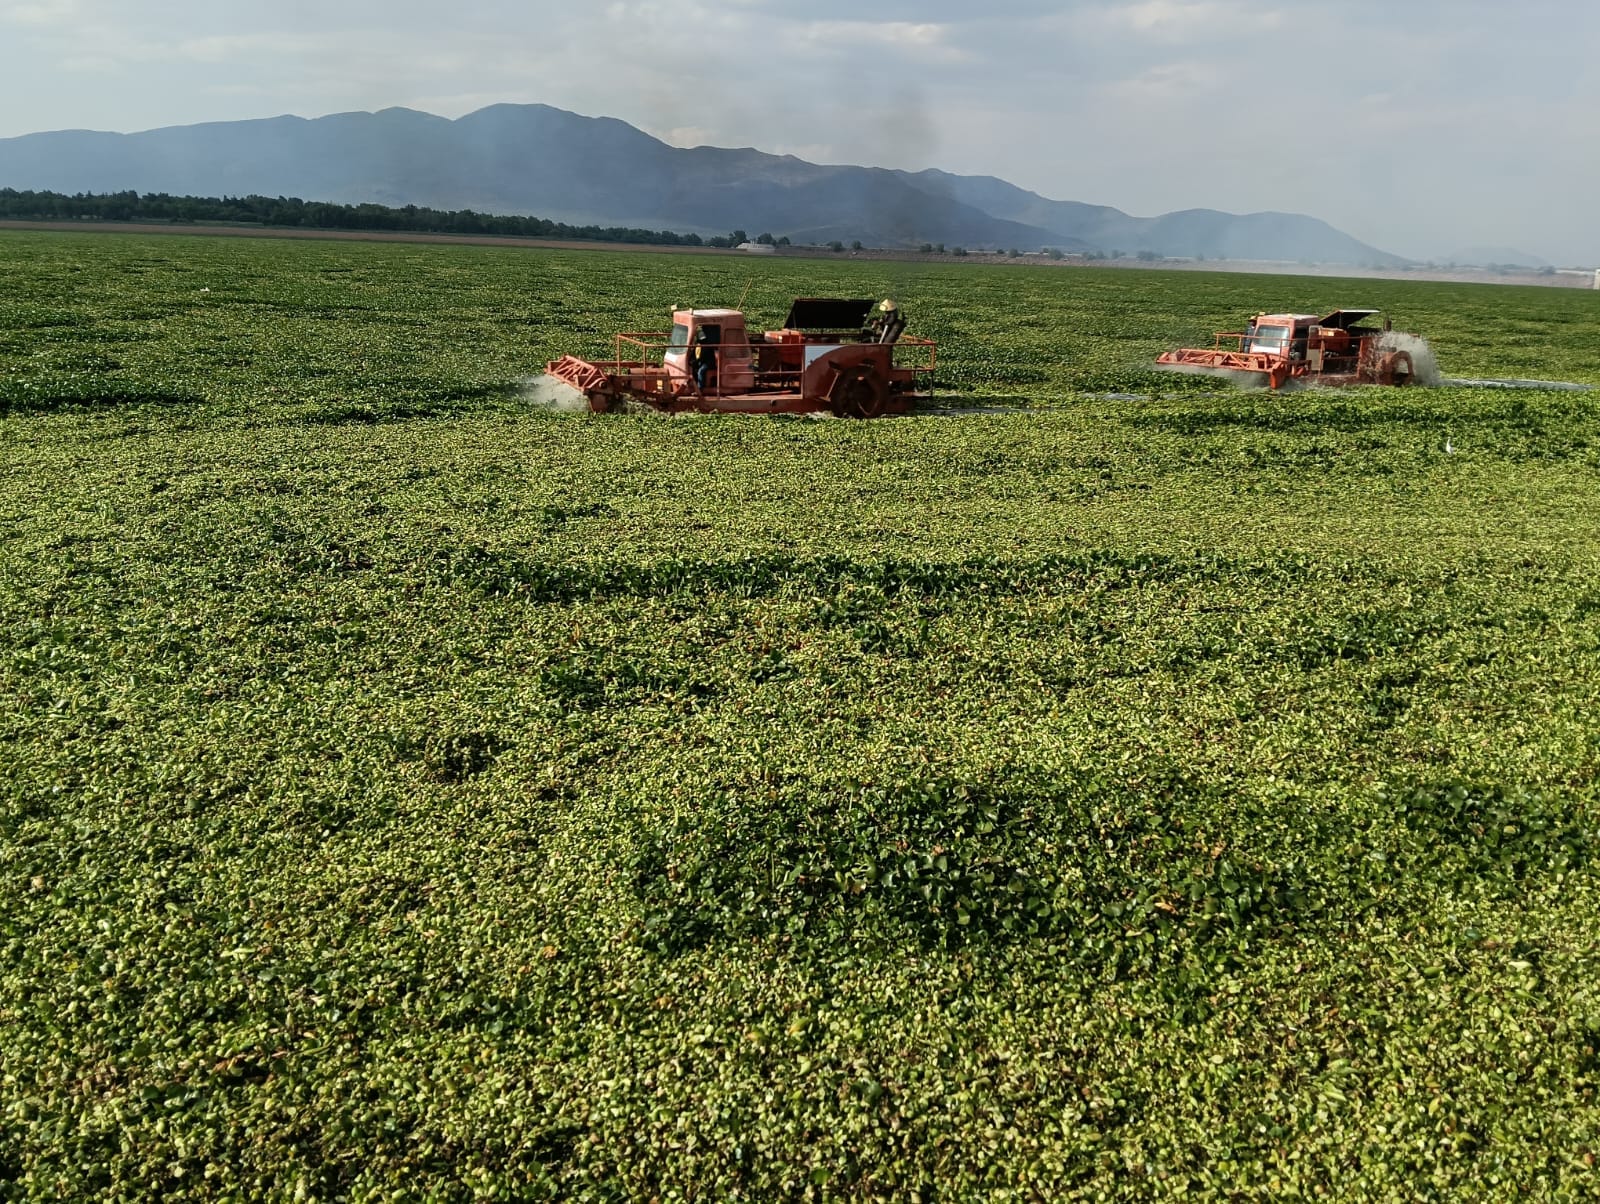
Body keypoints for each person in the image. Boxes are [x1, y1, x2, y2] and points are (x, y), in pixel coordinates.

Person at [693, 325, 720, 395]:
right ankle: (695, 385)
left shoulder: (706, 346)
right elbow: (696, 355)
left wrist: (697, 361)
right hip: (703, 362)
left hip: (709, 363)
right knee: (695, 369)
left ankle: (700, 389)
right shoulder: (698, 345)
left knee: (700, 371)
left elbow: (702, 357)